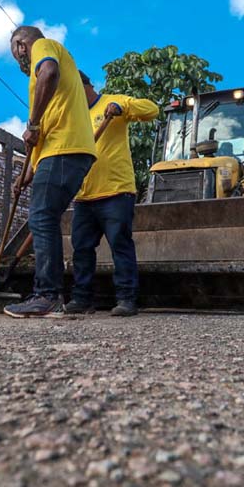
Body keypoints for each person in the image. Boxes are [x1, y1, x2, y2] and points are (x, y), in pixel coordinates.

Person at [4, 26, 96, 318]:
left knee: (41, 215)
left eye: (16, 52)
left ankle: (47, 295)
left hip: (65, 149)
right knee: (45, 215)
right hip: (61, 152)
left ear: (21, 45)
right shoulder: (50, 97)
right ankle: (50, 294)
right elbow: (40, 139)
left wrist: (31, 123)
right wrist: (26, 175)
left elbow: (48, 73)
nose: (20, 59)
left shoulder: (42, 46)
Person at [65, 71, 158, 317]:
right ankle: (82, 299)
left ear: (85, 85)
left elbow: (152, 110)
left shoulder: (113, 102)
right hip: (84, 196)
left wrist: (121, 107)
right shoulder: (74, 117)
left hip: (116, 191)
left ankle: (126, 299)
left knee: (120, 245)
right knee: (81, 249)